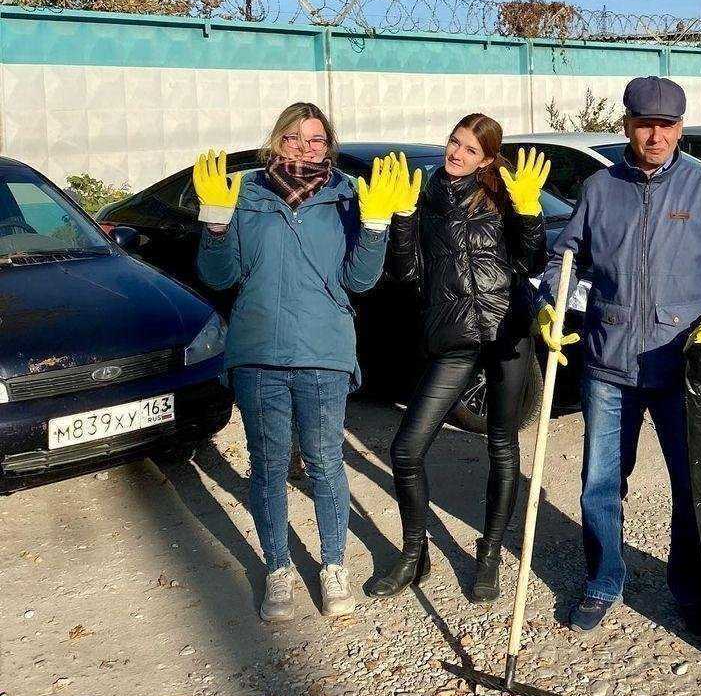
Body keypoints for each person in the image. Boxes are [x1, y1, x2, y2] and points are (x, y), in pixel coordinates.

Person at [537, 76, 701, 633]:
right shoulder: (599, 189)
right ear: (627, 125)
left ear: (680, 129)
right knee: (600, 483)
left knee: (691, 487)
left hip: (683, 364)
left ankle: (688, 588)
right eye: (643, 125)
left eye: (665, 126)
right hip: (609, 364)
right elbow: (565, 260)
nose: (654, 135)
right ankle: (604, 579)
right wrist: (550, 303)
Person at [194, 102, 412, 622]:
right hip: (259, 352)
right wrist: (217, 225)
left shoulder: (347, 198)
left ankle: (333, 566)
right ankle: (278, 569)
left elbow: (360, 281)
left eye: (316, 139)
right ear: (276, 141)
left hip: (323, 351)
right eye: (294, 137)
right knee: (268, 467)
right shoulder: (244, 194)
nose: (305, 147)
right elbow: (219, 276)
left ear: (329, 146)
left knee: (324, 463)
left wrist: (377, 225)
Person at [364, 116, 550, 603]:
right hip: (454, 337)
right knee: (406, 448)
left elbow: (532, 263)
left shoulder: (506, 194)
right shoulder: (427, 195)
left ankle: (488, 552)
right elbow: (406, 274)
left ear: (488, 158)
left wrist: (530, 214)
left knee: (502, 445)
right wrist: (402, 218)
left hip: (507, 333)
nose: (458, 154)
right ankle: (413, 554)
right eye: (455, 143)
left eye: (471, 149)